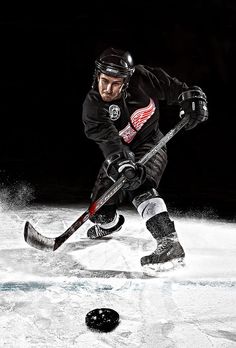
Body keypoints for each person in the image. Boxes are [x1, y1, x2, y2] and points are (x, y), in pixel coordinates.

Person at [82, 47, 208, 270]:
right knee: (99, 209)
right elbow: (110, 142)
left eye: (115, 83)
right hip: (120, 153)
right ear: (97, 76)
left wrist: (191, 101)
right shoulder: (93, 107)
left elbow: (177, 90)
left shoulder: (143, 78)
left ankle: (168, 243)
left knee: (139, 183)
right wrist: (122, 163)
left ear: (127, 81)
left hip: (151, 144)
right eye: (104, 81)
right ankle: (110, 225)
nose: (108, 89)